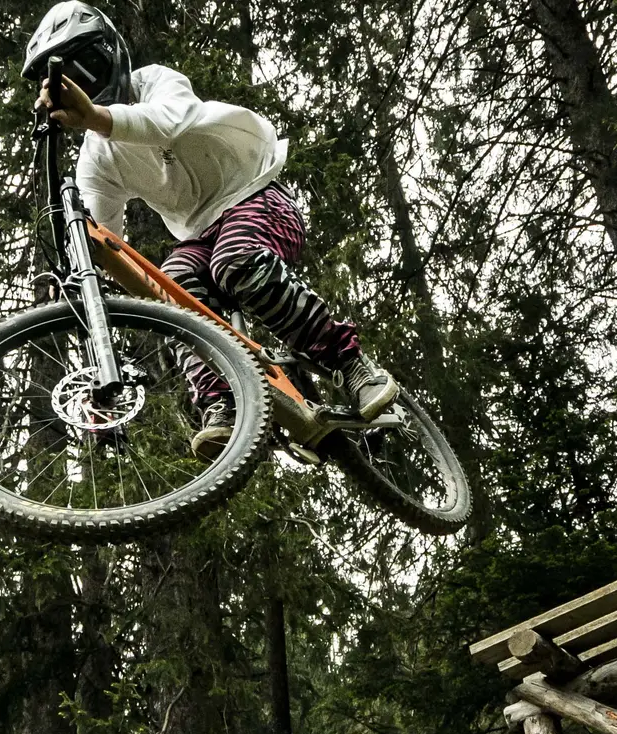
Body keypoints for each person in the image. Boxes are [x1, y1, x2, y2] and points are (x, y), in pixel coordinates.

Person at [21, 1, 398, 458]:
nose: (87, 85)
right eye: (73, 80)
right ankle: (224, 404)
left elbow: (170, 122)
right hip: (200, 234)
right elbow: (107, 239)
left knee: (235, 260)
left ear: (113, 53)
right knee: (169, 290)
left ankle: (349, 362)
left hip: (256, 194)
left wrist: (97, 118)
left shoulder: (155, 82)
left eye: (90, 67)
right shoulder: (97, 160)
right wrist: (85, 292)